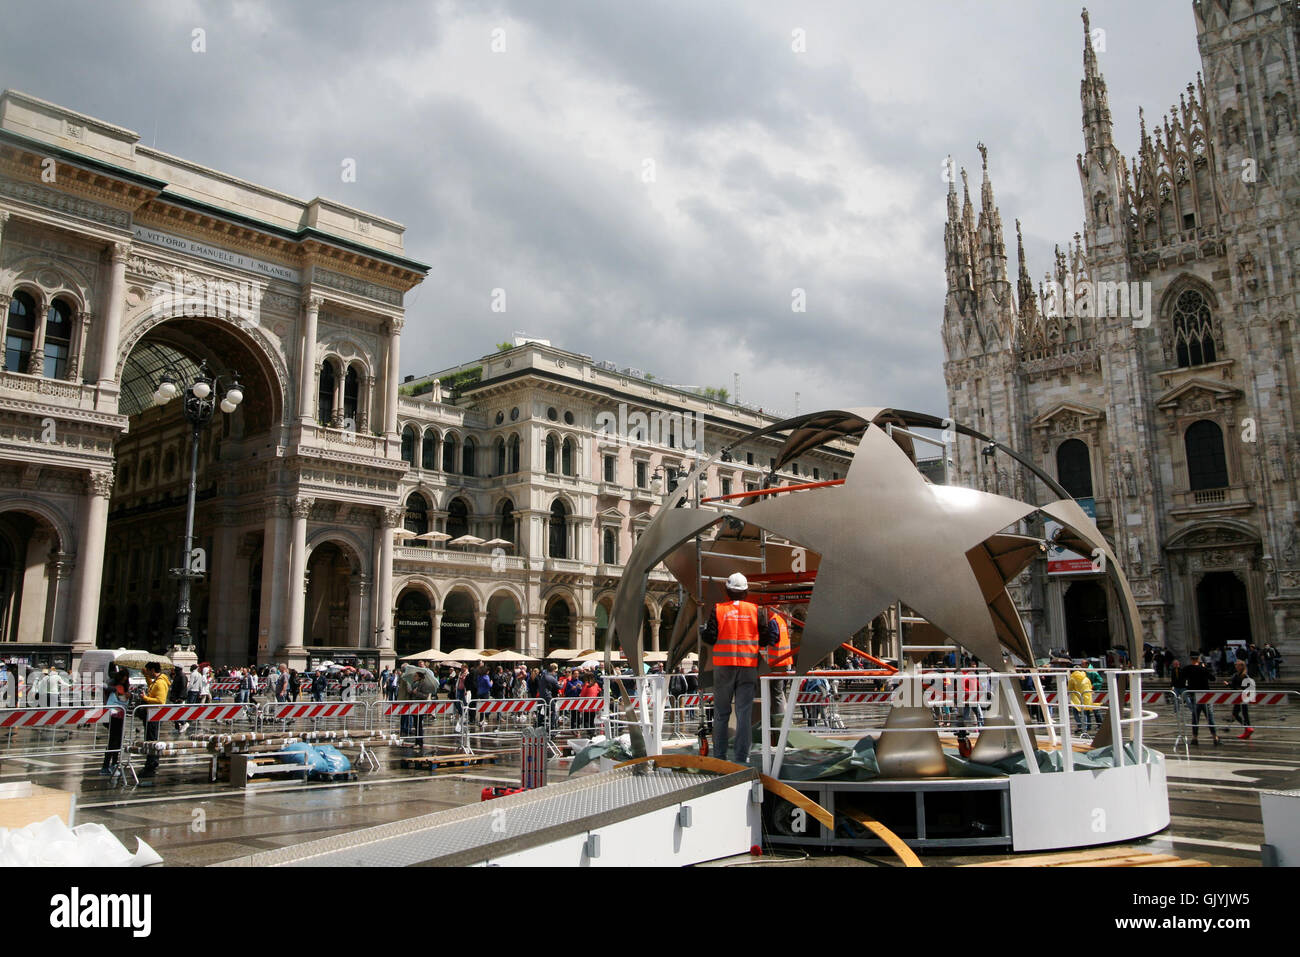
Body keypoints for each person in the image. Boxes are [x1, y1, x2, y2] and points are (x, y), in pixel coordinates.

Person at [700, 572, 776, 764]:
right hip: (748, 666)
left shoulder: (718, 610)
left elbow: (710, 637)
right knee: (744, 714)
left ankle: (719, 757)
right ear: (746, 591)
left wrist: (703, 632)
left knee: (721, 714)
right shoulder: (755, 610)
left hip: (724, 668)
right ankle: (743, 757)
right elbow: (765, 638)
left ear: (727, 591)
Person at [137, 661, 171, 782]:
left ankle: (152, 763)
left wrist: (145, 698)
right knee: (150, 737)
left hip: (155, 714)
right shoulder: (157, 681)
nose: (148, 673)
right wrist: (146, 676)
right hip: (151, 714)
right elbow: (152, 686)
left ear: (152, 670)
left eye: (148, 671)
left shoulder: (161, 682)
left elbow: (160, 701)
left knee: (151, 738)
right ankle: (151, 761)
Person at [1182, 652, 1220, 745]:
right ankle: (1215, 737)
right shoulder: (1203, 669)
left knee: (1195, 718)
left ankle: (1195, 738)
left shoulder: (1187, 669)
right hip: (1205, 696)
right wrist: (1204, 668)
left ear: (1191, 658)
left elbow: (1181, 679)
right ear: (1198, 659)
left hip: (1194, 696)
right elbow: (1212, 678)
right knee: (1210, 717)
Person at [99, 667, 130, 776]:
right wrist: (114, 691)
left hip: (120, 716)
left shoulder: (124, 686)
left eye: (125, 680)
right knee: (112, 742)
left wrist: (126, 696)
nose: (124, 681)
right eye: (123, 679)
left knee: (117, 742)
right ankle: (106, 765)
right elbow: (105, 689)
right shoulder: (112, 684)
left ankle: (114, 764)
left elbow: (124, 700)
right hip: (113, 716)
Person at [1226, 659, 1255, 739]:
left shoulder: (1245, 676)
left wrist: (1242, 690)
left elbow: (1249, 686)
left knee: (1236, 714)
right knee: (1244, 714)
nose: (1235, 666)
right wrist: (1228, 684)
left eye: (1237, 665)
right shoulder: (1236, 674)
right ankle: (1248, 730)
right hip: (1238, 697)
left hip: (1242, 697)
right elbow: (1233, 685)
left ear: (1241, 666)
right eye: (1235, 664)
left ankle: (1248, 728)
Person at [1068, 664, 1096, 736]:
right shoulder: (1086, 678)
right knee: (1085, 712)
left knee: (1075, 712)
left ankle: (1080, 726)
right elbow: (1090, 687)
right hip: (1086, 697)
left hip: (1077, 698)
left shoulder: (1072, 678)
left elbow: (1069, 689)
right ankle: (1086, 727)